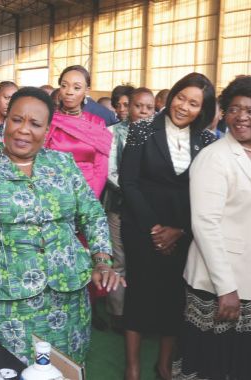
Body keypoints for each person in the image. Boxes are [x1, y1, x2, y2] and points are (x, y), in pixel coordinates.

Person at [0, 87, 124, 364]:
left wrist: (102, 260)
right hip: (3, 302)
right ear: (5, 120)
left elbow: (92, 214)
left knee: (63, 368)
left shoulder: (63, 164)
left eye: (35, 124)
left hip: (67, 299)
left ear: (47, 130)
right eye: (17, 120)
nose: (23, 130)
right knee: (8, 369)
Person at [174, 75, 251, 380]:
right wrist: (226, 287)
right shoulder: (215, 157)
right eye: (234, 109)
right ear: (224, 113)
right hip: (226, 279)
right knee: (219, 360)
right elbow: (205, 224)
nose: (242, 117)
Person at [119, 73, 217, 380]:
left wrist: (180, 229)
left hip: (185, 230)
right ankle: (132, 367)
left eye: (193, 103)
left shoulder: (207, 140)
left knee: (175, 297)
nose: (184, 107)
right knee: (139, 294)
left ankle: (164, 365)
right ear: (171, 96)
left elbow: (207, 192)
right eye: (180, 97)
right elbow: (128, 181)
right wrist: (155, 228)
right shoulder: (141, 129)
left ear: (203, 109)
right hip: (141, 226)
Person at [102, 87, 155, 327]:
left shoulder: (159, 135)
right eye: (138, 106)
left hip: (150, 211)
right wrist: (135, 193)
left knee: (145, 262)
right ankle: (118, 314)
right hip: (120, 206)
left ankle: (144, 313)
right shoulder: (113, 133)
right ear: (127, 107)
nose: (143, 111)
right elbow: (111, 172)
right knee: (120, 260)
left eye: (149, 107)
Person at [45, 65, 112, 198]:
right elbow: (41, 161)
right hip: (54, 193)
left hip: (88, 192)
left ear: (86, 90)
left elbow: (101, 169)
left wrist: (90, 199)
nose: (69, 92)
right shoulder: (49, 121)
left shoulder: (97, 123)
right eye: (64, 86)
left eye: (76, 88)